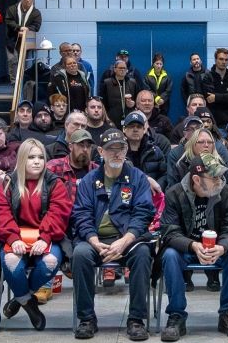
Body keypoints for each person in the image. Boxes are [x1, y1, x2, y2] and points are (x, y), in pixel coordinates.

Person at [71, 129, 156, 340]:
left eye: (121, 149)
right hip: (95, 239)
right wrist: (94, 241)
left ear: (126, 150)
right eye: (111, 150)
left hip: (128, 238)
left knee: (143, 254)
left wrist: (125, 241)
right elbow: (81, 215)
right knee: (80, 254)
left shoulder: (137, 178)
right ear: (101, 151)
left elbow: (143, 213)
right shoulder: (89, 180)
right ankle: (87, 319)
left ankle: (136, 320)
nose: (117, 154)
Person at [159, 153, 228, 341]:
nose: (219, 181)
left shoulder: (227, 192)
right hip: (187, 249)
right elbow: (169, 232)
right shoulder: (175, 193)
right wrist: (192, 245)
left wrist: (223, 247)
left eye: (220, 176)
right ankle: (176, 315)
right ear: (196, 179)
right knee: (170, 256)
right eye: (214, 177)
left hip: (217, 248)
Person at [0, 138, 72, 331]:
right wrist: (13, 238)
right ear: (21, 160)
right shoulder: (9, 183)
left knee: (51, 262)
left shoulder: (55, 183)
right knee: (11, 262)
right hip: (16, 238)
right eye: (31, 157)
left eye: (40, 157)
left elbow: (59, 213)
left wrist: (44, 238)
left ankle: (20, 299)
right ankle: (29, 303)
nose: (37, 161)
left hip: (47, 237)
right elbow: (0, 212)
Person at [4, 0, 42, 83]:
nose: (28, 0)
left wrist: (27, 29)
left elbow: (36, 26)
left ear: (32, 0)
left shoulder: (36, 12)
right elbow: (8, 21)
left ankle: (21, 81)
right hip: (12, 40)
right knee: (12, 60)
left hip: (26, 41)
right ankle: (14, 83)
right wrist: (19, 28)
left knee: (23, 62)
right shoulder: (12, 9)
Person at [205, 48, 228, 128]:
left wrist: (216, 97)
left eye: (226, 60)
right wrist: (227, 96)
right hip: (213, 122)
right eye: (221, 59)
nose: (224, 62)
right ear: (215, 60)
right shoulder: (207, 77)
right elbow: (209, 98)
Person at [100, 59, 139, 127]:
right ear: (115, 69)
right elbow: (102, 102)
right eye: (120, 68)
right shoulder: (107, 83)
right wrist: (106, 117)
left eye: (124, 68)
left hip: (129, 117)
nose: (122, 70)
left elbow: (137, 99)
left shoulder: (133, 82)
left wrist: (133, 103)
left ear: (127, 70)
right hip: (111, 118)